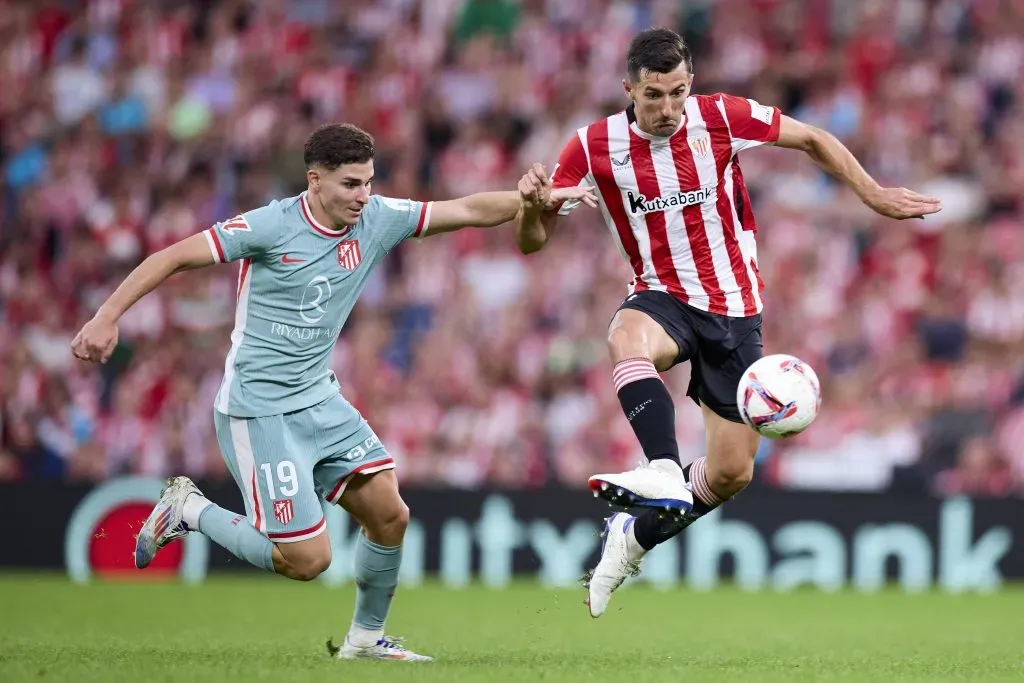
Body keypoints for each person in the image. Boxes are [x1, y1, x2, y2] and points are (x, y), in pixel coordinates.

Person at [71, 123, 596, 660]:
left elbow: (463, 210)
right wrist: (106, 317)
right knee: (307, 561)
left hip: (319, 399)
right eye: (350, 184)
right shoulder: (270, 225)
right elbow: (173, 257)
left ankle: (364, 640)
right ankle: (189, 509)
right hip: (260, 409)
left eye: (368, 182)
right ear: (314, 180)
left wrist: (534, 197)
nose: (362, 195)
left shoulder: (376, 219)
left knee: (390, 514)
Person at [513, 27, 942, 617]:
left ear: (692, 86)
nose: (667, 108)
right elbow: (533, 242)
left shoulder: (720, 117)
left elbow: (812, 138)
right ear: (628, 90)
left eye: (678, 92)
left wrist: (872, 193)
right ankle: (662, 467)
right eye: (654, 95)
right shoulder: (590, 147)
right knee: (626, 337)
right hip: (661, 296)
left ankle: (631, 539)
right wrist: (535, 209)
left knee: (733, 472)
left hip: (735, 309)